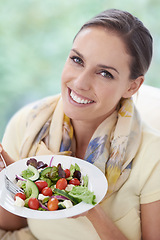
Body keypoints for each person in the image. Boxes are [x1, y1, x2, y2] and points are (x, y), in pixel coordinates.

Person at [0, 8, 160, 240]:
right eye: (77, 60)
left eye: (105, 73)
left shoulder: (152, 155)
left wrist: (90, 207)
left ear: (132, 86)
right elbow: (13, 223)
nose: (80, 82)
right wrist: (9, 181)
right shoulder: (28, 123)